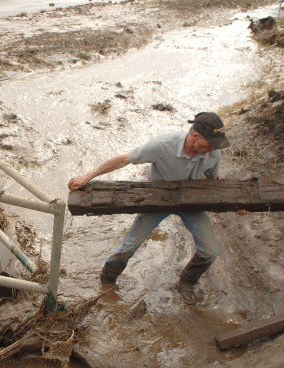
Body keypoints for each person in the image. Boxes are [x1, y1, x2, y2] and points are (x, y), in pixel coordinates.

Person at [68, 112, 245, 305]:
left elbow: (213, 181)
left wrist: (236, 202)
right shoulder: (162, 145)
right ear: (196, 136)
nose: (213, 148)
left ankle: (187, 281)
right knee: (129, 247)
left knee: (210, 251)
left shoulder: (213, 153)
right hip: (157, 201)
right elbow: (124, 159)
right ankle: (106, 282)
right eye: (210, 143)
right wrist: (88, 177)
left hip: (192, 202)